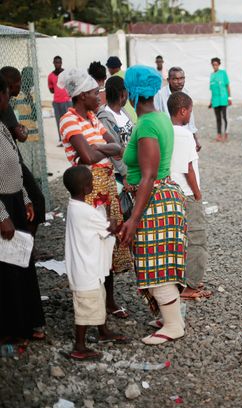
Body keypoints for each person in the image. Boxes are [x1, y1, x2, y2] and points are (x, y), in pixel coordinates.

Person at [119, 65, 187, 345]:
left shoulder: (146, 124)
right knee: (161, 260)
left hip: (154, 200)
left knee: (156, 263)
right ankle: (171, 318)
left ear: (131, 93)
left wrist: (133, 219)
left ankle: (173, 326)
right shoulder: (159, 118)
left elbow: (148, 174)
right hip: (164, 196)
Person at [58, 68, 131, 321]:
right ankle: (94, 302)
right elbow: (86, 158)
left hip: (107, 185)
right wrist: (103, 150)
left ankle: (108, 301)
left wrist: (97, 148)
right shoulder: (69, 120)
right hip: (87, 187)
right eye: (93, 93)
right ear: (80, 96)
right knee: (93, 245)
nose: (98, 96)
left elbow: (118, 148)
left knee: (109, 242)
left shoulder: (92, 117)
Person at [63, 165, 129, 360]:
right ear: (86, 189)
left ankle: (103, 332)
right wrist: (109, 211)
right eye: (91, 182)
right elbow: (111, 227)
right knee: (86, 308)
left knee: (98, 299)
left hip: (88, 268)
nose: (93, 184)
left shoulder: (76, 207)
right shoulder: (85, 212)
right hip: (85, 271)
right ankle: (79, 346)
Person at [0, 74, 45, 345]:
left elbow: (14, 166)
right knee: (7, 272)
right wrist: (2, 216)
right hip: (3, 206)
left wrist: (26, 198)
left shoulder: (3, 126)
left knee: (20, 264)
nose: (9, 99)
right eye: (7, 94)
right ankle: (10, 329)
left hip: (15, 200)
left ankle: (24, 324)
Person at [169, 91, 210, 301]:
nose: (190, 115)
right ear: (183, 111)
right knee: (197, 239)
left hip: (172, 191)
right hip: (187, 191)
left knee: (180, 238)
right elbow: (188, 168)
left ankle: (182, 279)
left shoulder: (165, 130)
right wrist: (197, 193)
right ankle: (191, 286)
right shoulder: (184, 134)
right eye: (190, 111)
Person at [0, 66, 46, 238]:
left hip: (12, 165)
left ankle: (24, 249)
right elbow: (20, 134)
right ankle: (27, 247)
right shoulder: (6, 106)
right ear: (10, 86)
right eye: (18, 83)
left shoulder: (7, 103)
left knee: (26, 201)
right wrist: (23, 131)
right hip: (9, 167)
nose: (20, 87)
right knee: (36, 200)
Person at [154, 66, 201, 152]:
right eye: (175, 79)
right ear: (168, 80)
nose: (179, 82)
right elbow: (156, 118)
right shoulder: (160, 95)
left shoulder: (186, 93)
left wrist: (195, 139)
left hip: (186, 136)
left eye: (182, 78)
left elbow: (191, 119)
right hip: (169, 138)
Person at [96, 76, 133, 184]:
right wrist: (125, 174)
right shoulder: (105, 118)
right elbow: (113, 150)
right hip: (121, 174)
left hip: (131, 168)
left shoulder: (122, 111)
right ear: (122, 94)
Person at [48, 56, 71, 144]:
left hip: (67, 101)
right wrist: (58, 90)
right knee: (59, 121)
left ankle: (69, 137)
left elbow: (70, 85)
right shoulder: (50, 76)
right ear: (53, 63)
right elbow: (51, 89)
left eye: (59, 62)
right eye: (56, 62)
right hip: (57, 102)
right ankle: (61, 139)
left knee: (68, 120)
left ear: (61, 63)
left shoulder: (66, 73)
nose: (57, 64)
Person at [106, 56, 137, 123]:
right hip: (135, 114)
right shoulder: (128, 75)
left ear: (110, 68)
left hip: (123, 116)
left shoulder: (112, 81)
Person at [209, 57, 231, 142]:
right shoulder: (212, 75)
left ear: (219, 65)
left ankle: (226, 133)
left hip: (223, 99)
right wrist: (211, 101)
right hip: (215, 100)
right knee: (218, 118)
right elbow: (212, 90)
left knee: (225, 117)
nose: (215, 66)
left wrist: (229, 98)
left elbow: (227, 86)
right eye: (213, 65)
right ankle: (219, 134)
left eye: (216, 64)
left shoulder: (223, 73)